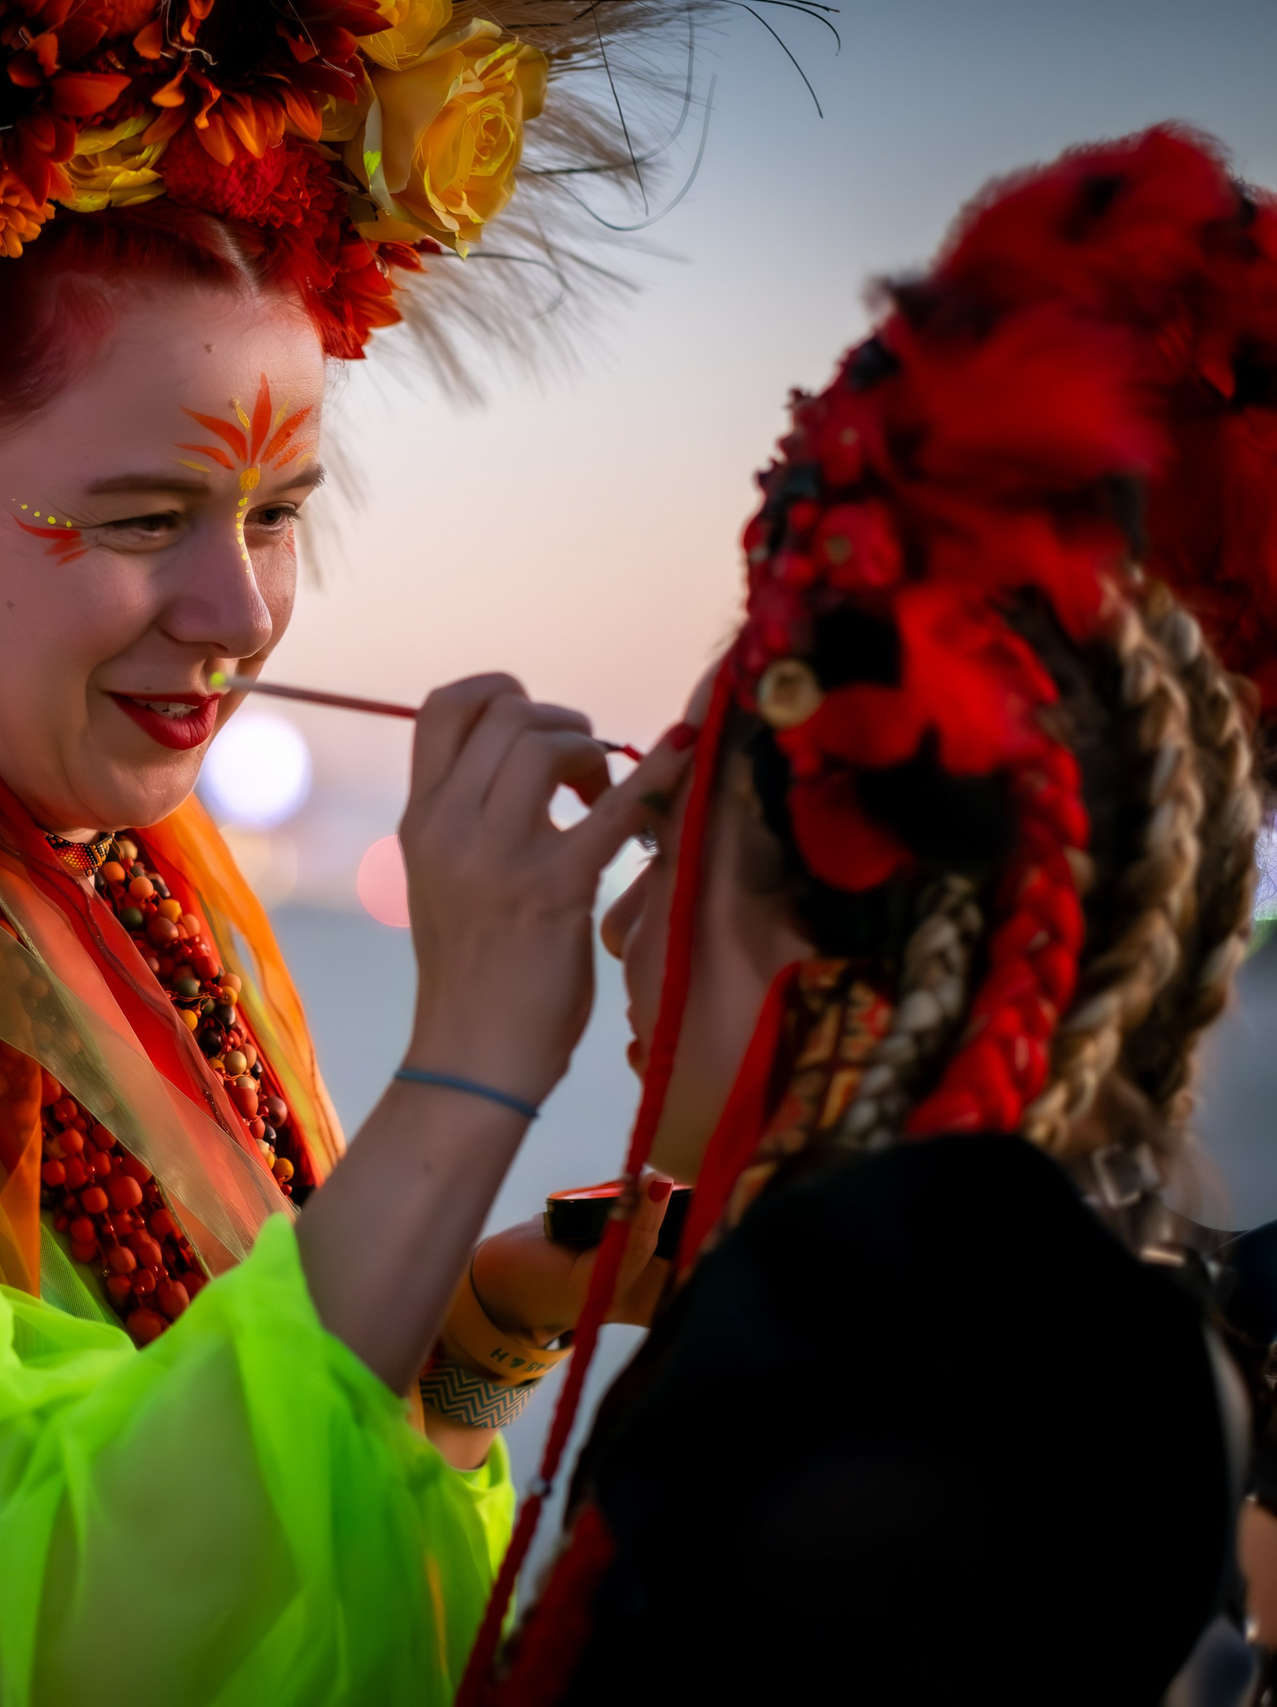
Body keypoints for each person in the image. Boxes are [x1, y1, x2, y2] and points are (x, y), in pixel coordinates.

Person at [0, 0, 753, 1699]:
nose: (236, 613)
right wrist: (463, 1073)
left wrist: (476, 1331)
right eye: (143, 519)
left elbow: (335, 1602)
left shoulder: (176, 906)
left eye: (276, 514)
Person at [464, 128, 1275, 1706]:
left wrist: (462, 1121)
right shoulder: (1115, 1345)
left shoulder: (836, 1473)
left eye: (672, 833)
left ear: (847, 931)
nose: (620, 929)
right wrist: (502, 1307)